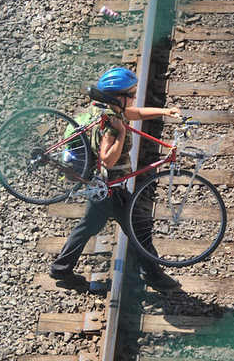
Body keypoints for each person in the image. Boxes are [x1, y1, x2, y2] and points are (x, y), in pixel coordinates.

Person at [49, 67, 182, 291]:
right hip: (112, 188)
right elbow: (107, 159)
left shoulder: (109, 112)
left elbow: (137, 113)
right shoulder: (111, 124)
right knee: (139, 226)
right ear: (116, 97)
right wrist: (120, 133)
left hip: (104, 186)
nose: (133, 98)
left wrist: (165, 111)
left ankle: (62, 268)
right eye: (130, 95)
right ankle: (153, 275)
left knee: (90, 225)